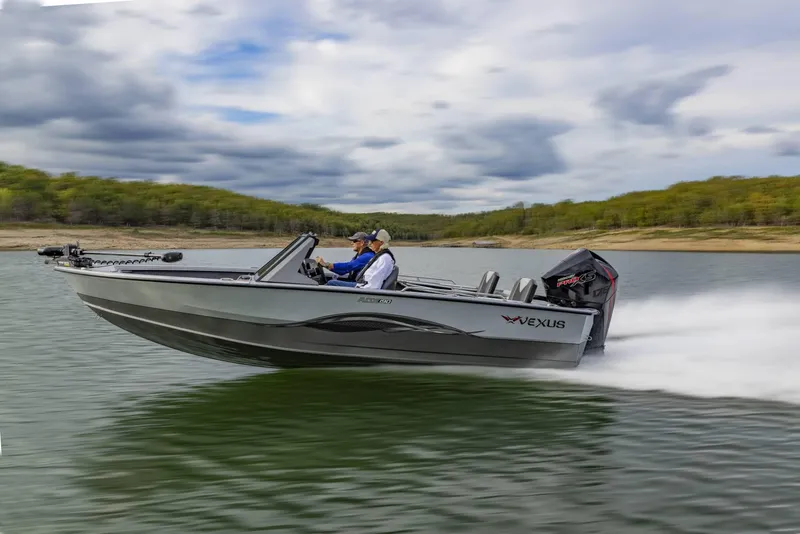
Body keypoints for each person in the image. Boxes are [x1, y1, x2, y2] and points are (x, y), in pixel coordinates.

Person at [327, 228, 395, 289]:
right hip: (363, 285)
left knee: (331, 283)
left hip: (365, 289)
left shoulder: (384, 258)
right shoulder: (379, 256)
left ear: (381, 242)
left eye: (372, 240)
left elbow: (374, 285)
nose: (370, 243)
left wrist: (327, 265)